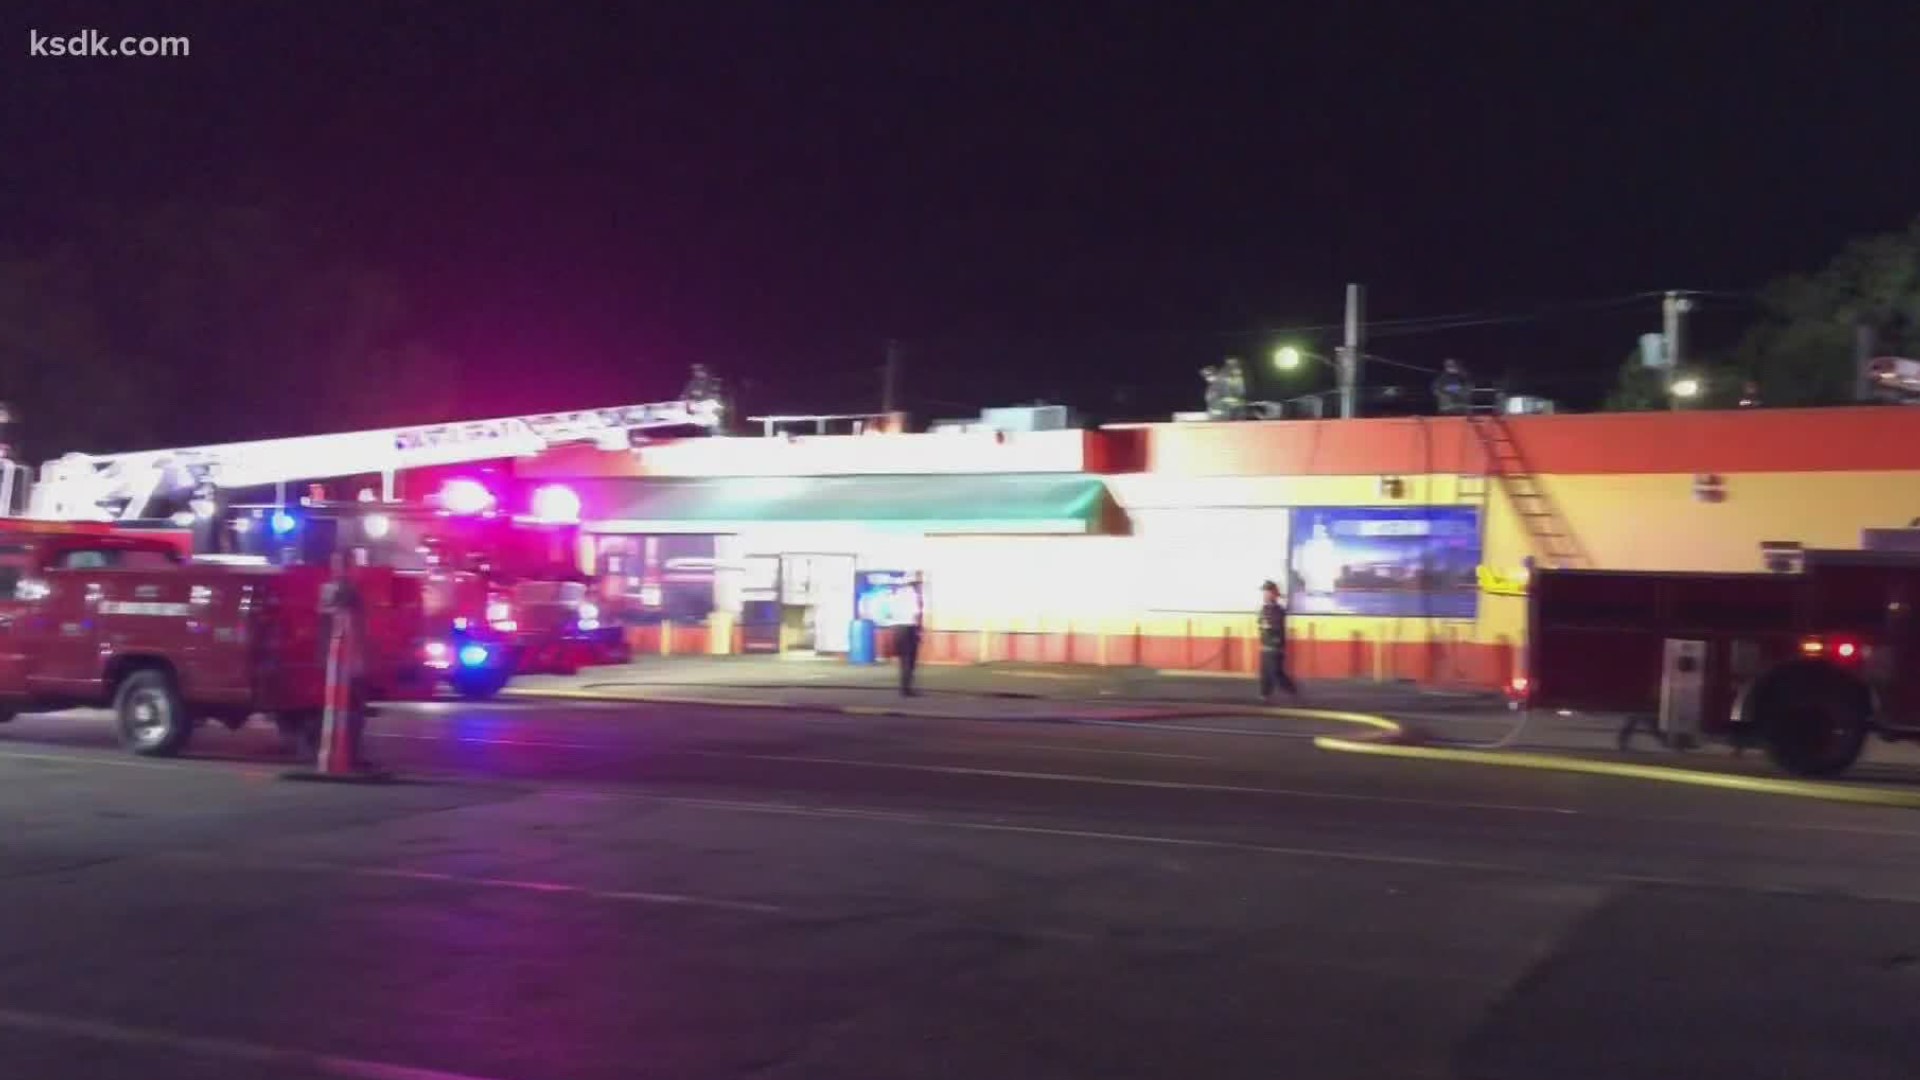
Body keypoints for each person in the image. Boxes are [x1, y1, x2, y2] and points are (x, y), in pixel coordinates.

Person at [1257, 580, 1301, 702]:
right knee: (1265, 673)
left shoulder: (1278, 610)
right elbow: (1261, 624)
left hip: (1274, 648)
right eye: (1264, 592)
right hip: (1265, 647)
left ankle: (1292, 692)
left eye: (1267, 592)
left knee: (1276, 674)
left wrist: (1268, 627)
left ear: (1273, 594)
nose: (1265, 595)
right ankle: (1264, 695)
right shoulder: (1264, 609)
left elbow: (1274, 627)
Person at [891, 582, 923, 696]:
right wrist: (919, 630)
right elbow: (916, 613)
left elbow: (890, 613)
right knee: (910, 660)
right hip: (909, 628)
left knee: (903, 660)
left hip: (897, 629)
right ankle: (906, 689)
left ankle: (904, 687)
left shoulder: (895, 595)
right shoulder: (913, 595)